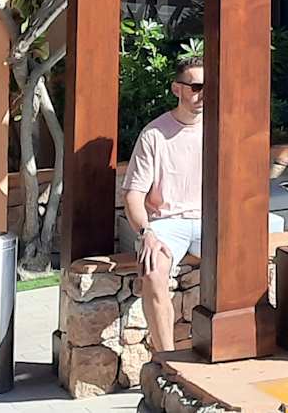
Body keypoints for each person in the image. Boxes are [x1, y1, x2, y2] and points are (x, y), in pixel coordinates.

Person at [121, 53, 207, 356]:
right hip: (167, 223)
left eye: (208, 87)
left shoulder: (221, 128)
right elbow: (133, 194)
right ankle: (168, 361)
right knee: (153, 270)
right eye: (196, 87)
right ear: (176, 89)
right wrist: (146, 232)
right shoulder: (154, 135)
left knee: (247, 261)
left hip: (211, 220)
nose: (202, 94)